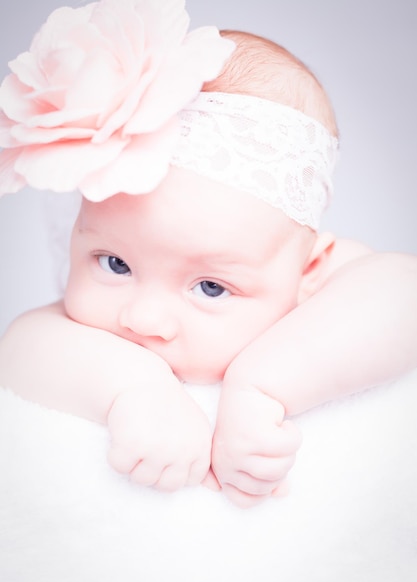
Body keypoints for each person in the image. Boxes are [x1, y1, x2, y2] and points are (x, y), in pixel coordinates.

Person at [0, 0, 416, 508]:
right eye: (116, 263)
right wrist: (132, 387)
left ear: (309, 270)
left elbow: (404, 288)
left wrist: (263, 384)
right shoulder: (82, 335)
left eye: (211, 287)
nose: (144, 319)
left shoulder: (323, 291)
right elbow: (21, 346)